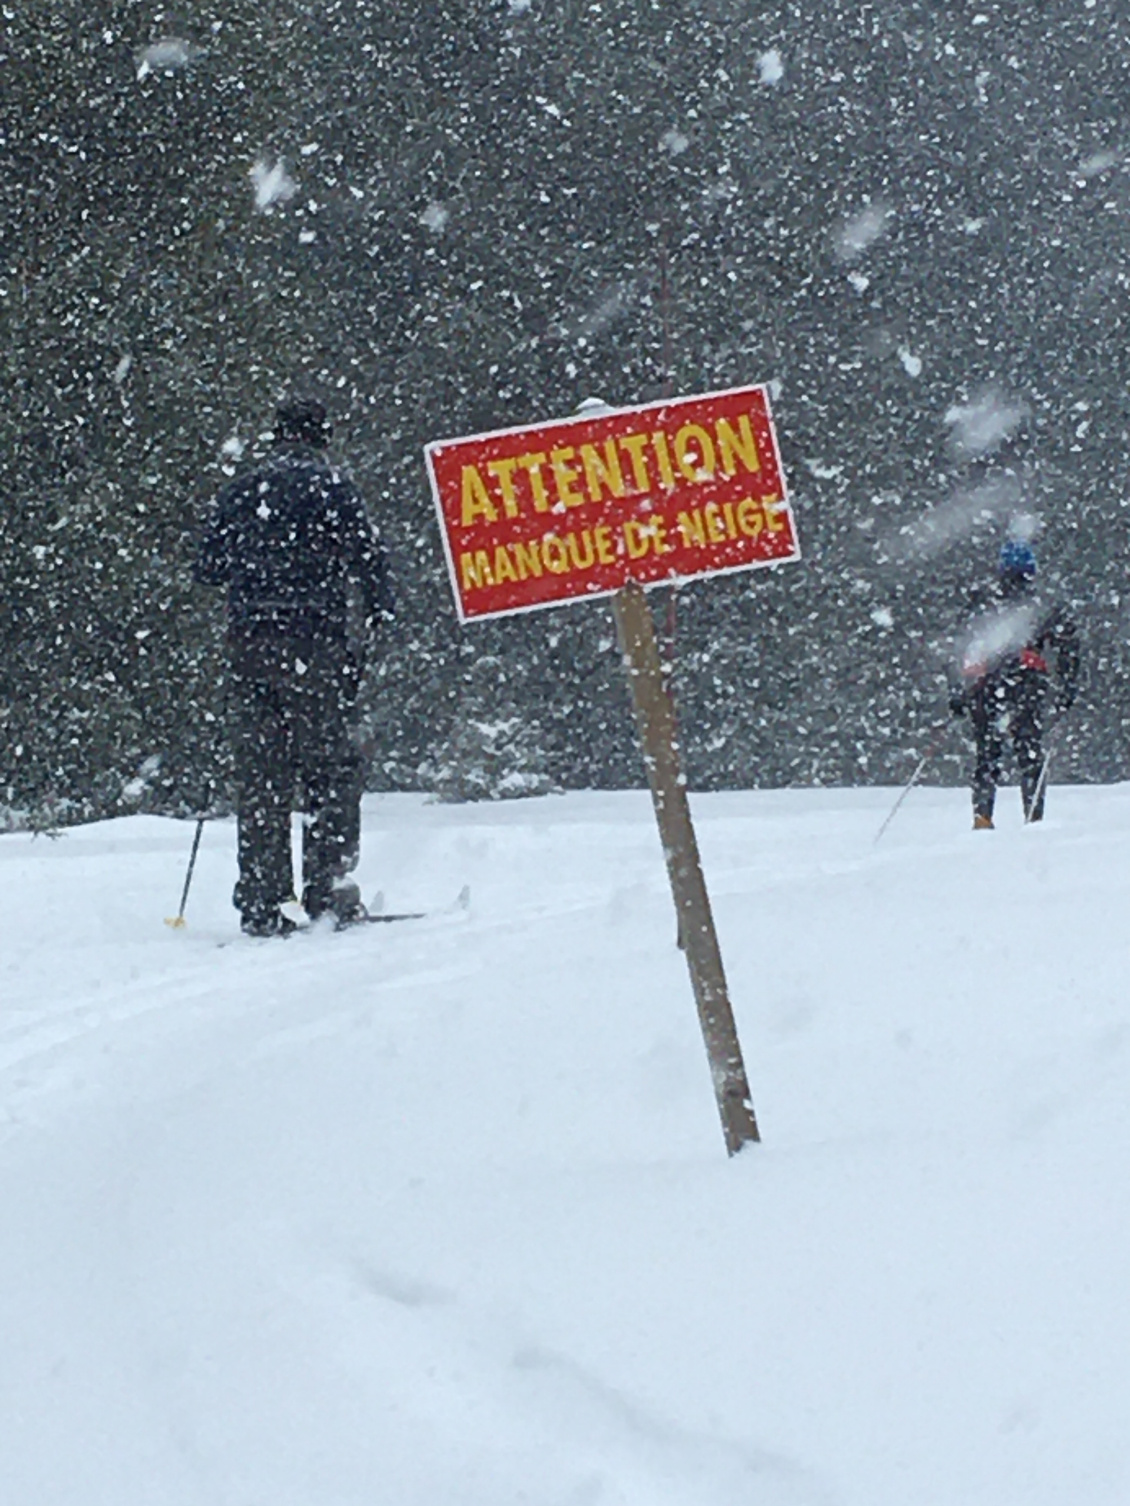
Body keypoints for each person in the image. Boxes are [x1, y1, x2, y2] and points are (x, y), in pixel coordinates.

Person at [195, 397, 392, 936]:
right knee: (329, 769)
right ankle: (327, 888)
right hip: (314, 645)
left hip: (250, 646)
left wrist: (254, 569)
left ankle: (260, 900)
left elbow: (207, 568)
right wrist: (375, 614)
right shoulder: (333, 489)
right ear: (321, 438)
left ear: (276, 437)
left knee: (262, 775)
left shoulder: (243, 491)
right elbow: (371, 564)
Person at [949, 538, 1079, 830]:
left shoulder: (982, 601)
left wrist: (957, 689)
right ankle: (1033, 815)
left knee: (987, 753)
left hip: (985, 684)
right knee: (1028, 750)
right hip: (1026, 682)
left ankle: (983, 816)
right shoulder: (1041, 605)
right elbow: (1068, 646)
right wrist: (1067, 684)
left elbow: (961, 646)